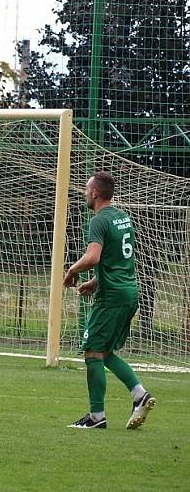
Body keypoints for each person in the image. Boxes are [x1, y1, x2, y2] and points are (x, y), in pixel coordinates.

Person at [63, 171, 156, 430]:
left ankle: (96, 417)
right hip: (128, 292)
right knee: (104, 352)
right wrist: (94, 282)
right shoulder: (123, 218)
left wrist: (72, 271)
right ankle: (139, 394)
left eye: (85, 188)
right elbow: (119, 259)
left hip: (113, 297)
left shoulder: (99, 221)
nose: (84, 192)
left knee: (92, 351)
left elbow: (93, 257)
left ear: (95, 193)